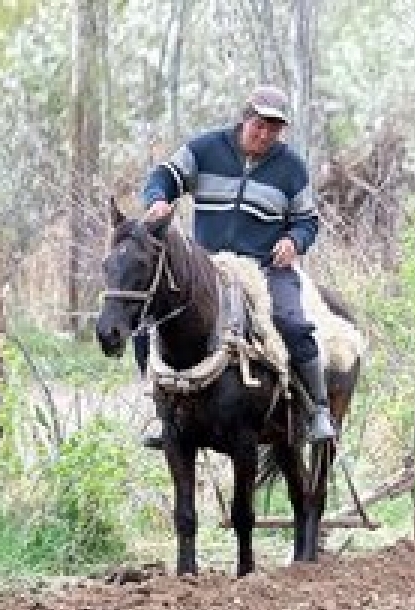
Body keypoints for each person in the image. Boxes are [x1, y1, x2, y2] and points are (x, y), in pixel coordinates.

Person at [136, 84, 337, 447]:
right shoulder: (204, 149)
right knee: (150, 316)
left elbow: (307, 221)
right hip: (206, 265)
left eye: (274, 128)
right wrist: (158, 200)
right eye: (259, 124)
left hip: (263, 268)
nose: (265, 134)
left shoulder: (291, 168)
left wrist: (294, 241)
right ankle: (158, 407)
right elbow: (163, 176)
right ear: (245, 119)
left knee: (292, 323)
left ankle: (316, 410)